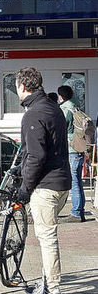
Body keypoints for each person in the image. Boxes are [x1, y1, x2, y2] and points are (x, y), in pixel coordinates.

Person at [14, 67, 71, 294]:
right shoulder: (53, 108)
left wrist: (25, 189)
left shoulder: (33, 114)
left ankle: (52, 290)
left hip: (46, 186)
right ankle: (48, 280)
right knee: (48, 234)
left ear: (22, 87)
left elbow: (36, 157)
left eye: (16, 86)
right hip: (62, 184)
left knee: (47, 238)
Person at [57, 85, 88, 223]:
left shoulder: (65, 109)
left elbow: (61, 128)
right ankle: (80, 211)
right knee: (78, 182)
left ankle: (76, 213)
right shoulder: (76, 107)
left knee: (74, 182)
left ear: (61, 96)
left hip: (71, 149)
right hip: (79, 148)